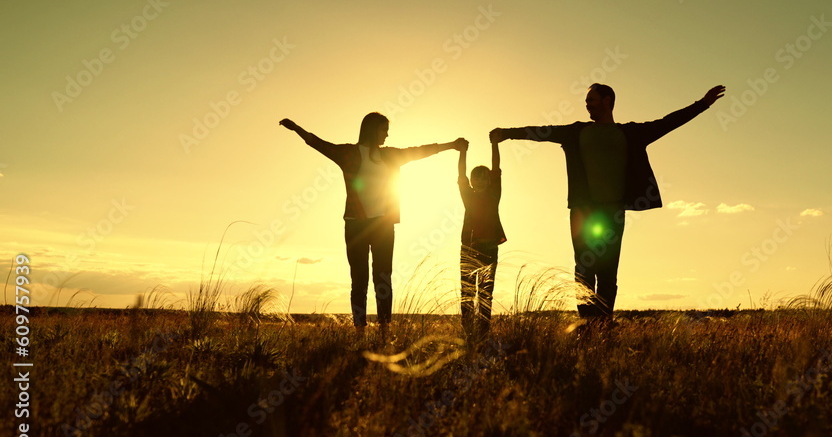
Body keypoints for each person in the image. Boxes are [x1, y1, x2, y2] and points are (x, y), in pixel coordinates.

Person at [490, 84, 725, 324]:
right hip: (583, 211)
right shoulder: (576, 132)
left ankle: (602, 324)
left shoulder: (630, 133)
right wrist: (507, 133)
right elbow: (541, 132)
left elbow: (667, 123)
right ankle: (587, 322)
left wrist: (702, 104)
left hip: (612, 213)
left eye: (591, 100)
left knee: (607, 273)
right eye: (586, 101)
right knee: (583, 270)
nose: (587, 104)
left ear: (607, 100)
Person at [279, 113, 465, 329]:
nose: (387, 134)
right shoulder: (348, 153)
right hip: (355, 224)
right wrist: (296, 128)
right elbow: (318, 143)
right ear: (371, 129)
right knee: (359, 280)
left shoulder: (390, 155)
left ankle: (385, 329)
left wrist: (452, 145)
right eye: (383, 129)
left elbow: (418, 151)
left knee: (383, 278)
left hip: (383, 225)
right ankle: (360, 330)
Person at [457, 137, 506, 337]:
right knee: (467, 293)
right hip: (468, 248)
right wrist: (462, 151)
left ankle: (483, 333)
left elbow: (496, 168)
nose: (481, 181)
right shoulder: (467, 196)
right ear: (471, 181)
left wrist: (495, 144)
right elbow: (460, 174)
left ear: (489, 181)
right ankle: (467, 332)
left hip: (489, 249)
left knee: (486, 293)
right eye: (476, 177)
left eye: (484, 177)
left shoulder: (494, 194)